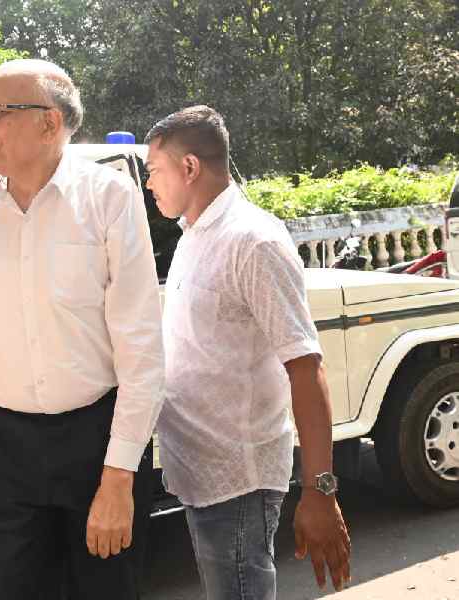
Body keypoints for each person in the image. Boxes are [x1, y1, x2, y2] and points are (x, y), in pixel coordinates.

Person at [0, 59, 164, 600]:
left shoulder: (109, 198)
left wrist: (118, 477)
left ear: (49, 121)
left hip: (93, 441)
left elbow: (141, 347)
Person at [144, 105, 351, 599]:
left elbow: (305, 367)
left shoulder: (251, 241)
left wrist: (320, 492)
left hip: (236, 477)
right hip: (199, 469)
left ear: (189, 167)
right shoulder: (195, 235)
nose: (149, 184)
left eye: (154, 171)